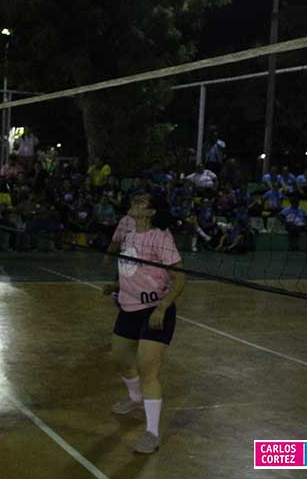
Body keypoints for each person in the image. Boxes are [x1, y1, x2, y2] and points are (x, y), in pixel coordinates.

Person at [106, 193, 186, 454]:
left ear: (150, 213)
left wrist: (162, 307)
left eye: (141, 202)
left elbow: (180, 277)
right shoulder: (129, 232)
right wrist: (117, 285)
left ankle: (152, 433)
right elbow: (135, 268)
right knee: (119, 358)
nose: (134, 202)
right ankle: (135, 398)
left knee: (147, 369)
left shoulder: (161, 237)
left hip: (155, 310)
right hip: (128, 307)